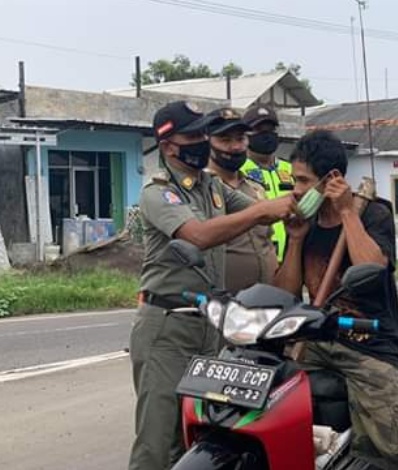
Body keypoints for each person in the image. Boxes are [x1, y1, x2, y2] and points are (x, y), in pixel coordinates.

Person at [129, 101, 296, 470]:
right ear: (169, 144)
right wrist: (260, 211)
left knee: (200, 433)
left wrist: (308, 197)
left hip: (209, 325)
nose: (203, 141)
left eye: (204, 133)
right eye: (194, 135)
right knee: (158, 442)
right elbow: (199, 235)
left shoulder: (211, 186)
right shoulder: (158, 193)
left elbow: (265, 207)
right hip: (168, 325)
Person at [274, 130, 398, 470]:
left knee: (392, 453)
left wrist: (346, 213)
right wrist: (295, 240)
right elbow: (285, 294)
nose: (296, 190)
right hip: (315, 339)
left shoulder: (372, 213)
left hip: (369, 343)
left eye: (303, 180)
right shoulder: (305, 223)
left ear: (332, 179)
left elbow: (372, 269)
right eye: (293, 180)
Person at [206, 107, 278, 294]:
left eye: (240, 139)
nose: (236, 147)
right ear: (207, 143)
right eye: (225, 140)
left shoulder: (256, 189)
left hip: (264, 302)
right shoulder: (201, 190)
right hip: (221, 306)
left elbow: (267, 242)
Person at [241, 104, 294, 261]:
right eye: (259, 130)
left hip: (291, 257)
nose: (266, 135)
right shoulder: (238, 171)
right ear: (247, 134)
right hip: (256, 257)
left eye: (270, 130)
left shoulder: (291, 169)